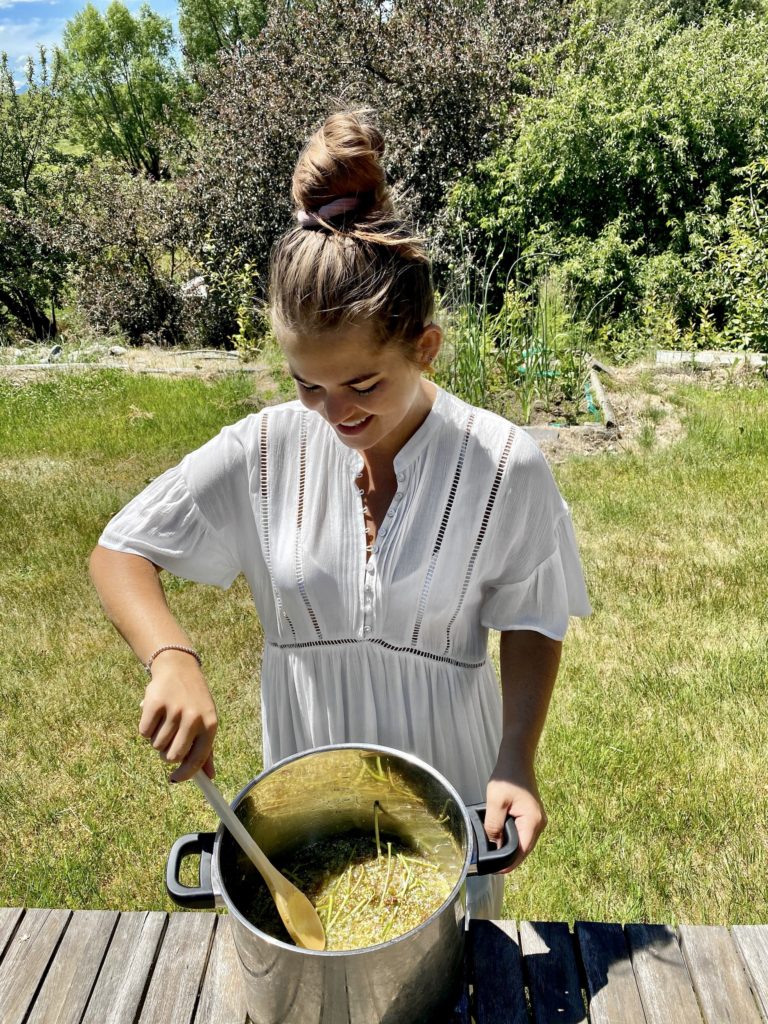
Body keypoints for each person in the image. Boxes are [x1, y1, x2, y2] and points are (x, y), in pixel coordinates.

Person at [89, 109, 591, 918]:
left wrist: (515, 760)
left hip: (449, 791)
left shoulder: (503, 465)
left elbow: (533, 614)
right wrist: (171, 657)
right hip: (305, 793)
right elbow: (120, 550)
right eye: (307, 384)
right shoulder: (263, 449)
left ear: (424, 348)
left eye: (363, 384)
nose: (334, 413)